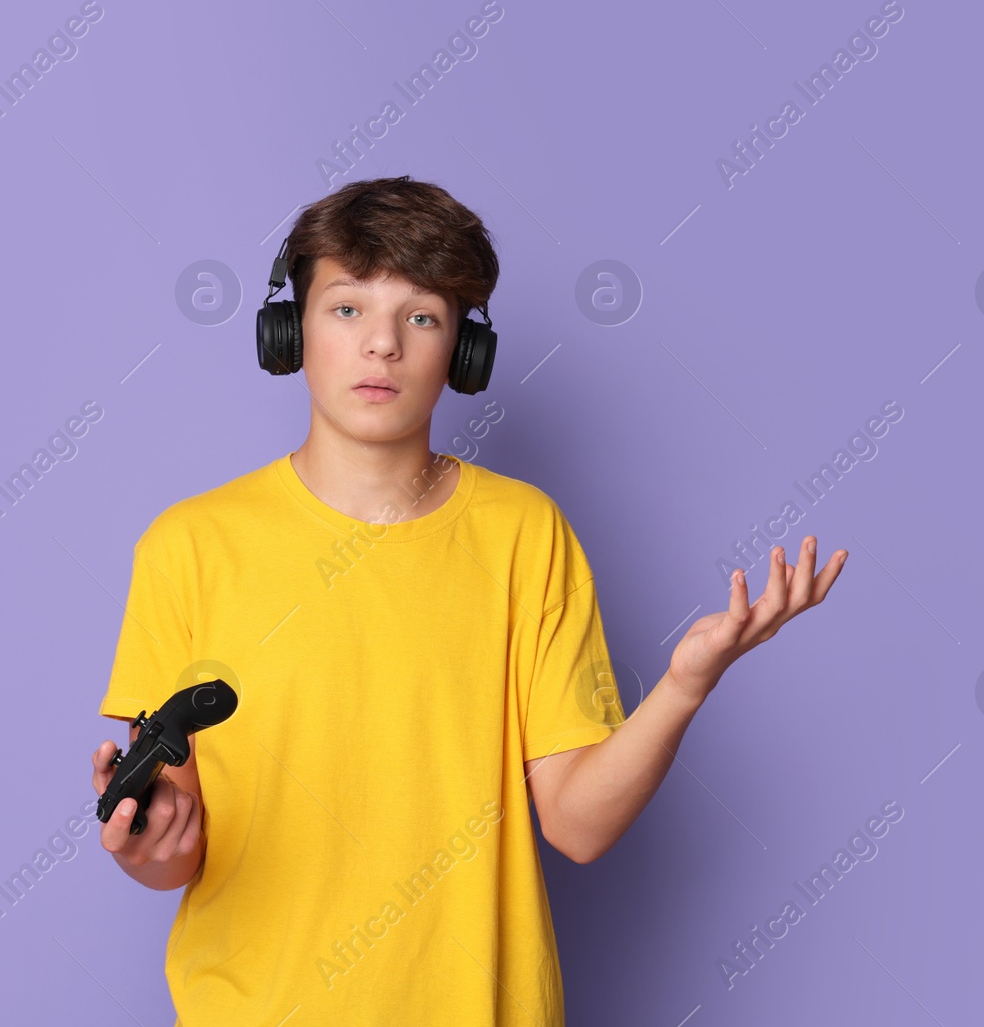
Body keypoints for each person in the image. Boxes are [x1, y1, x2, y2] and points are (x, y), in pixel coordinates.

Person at [90, 175, 847, 1025]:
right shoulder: (189, 546)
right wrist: (145, 846)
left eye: (421, 316)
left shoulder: (526, 535)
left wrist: (686, 683)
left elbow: (579, 826)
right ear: (289, 329)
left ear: (462, 350)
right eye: (347, 309)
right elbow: (175, 850)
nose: (382, 345)